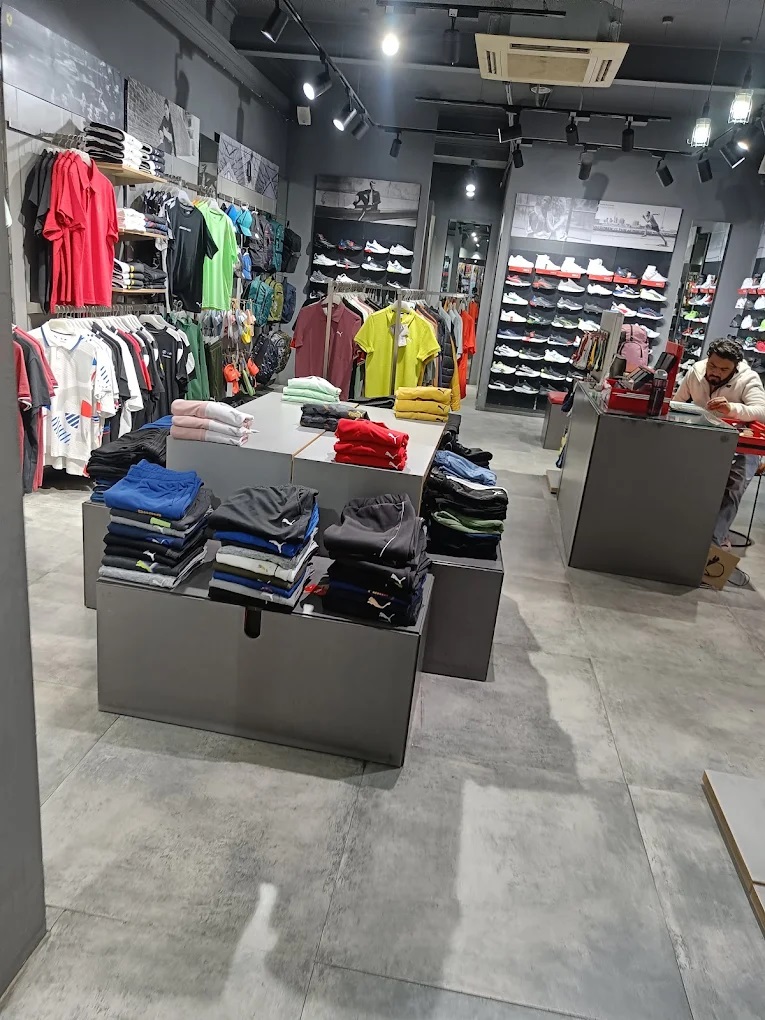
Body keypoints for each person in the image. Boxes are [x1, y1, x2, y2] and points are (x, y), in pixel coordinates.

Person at [674, 337, 765, 547]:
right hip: (705, 438)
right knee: (690, 480)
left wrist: (732, 409)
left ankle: (713, 544)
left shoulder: (748, 378)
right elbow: (678, 402)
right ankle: (684, 529)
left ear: (735, 367)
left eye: (724, 369)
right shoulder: (696, 371)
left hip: (742, 442)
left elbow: (762, 412)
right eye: (713, 365)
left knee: (736, 483)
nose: (716, 372)